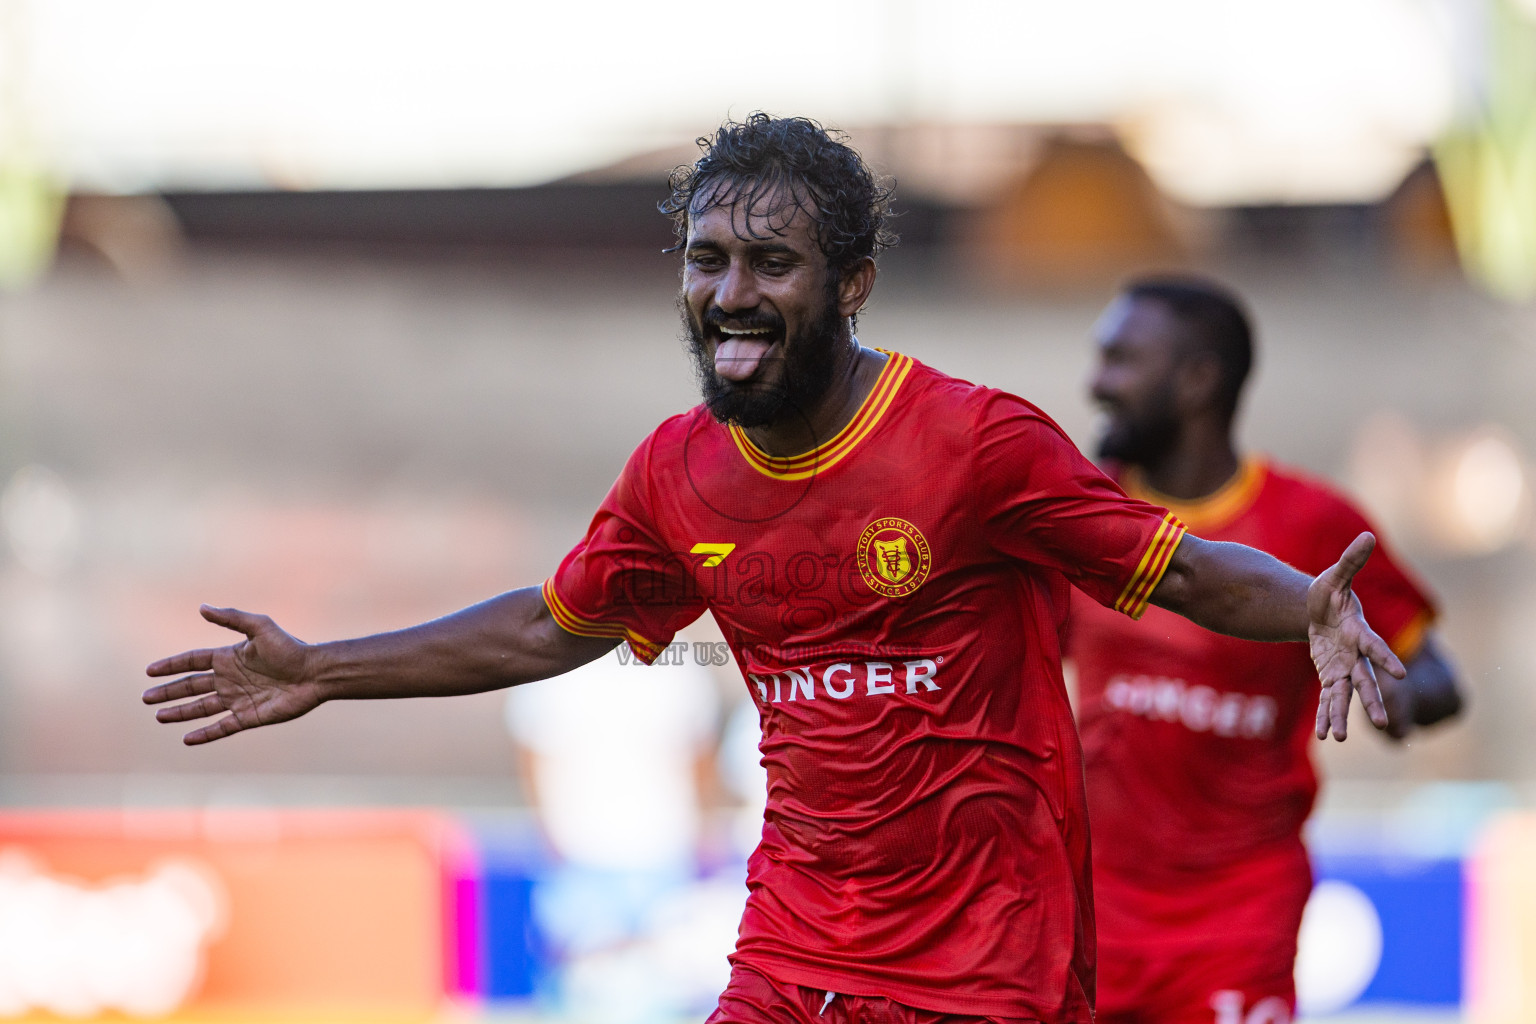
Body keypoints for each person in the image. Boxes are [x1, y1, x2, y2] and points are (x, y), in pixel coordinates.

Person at [144, 115, 1407, 1024]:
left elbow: (1175, 571)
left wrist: (1305, 608)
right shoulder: (677, 474)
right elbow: (548, 627)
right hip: (790, 948)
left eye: (771, 265)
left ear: (851, 283)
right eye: (707, 261)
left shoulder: (974, 443)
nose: (730, 294)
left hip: (984, 970)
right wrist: (323, 669)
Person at [1068, 276, 1464, 1024]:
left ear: (1197, 380)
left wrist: (1398, 695)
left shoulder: (1313, 525)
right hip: (1091, 907)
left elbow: (1441, 679)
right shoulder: (1087, 513)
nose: (1097, 383)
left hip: (1237, 913)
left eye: (1121, 361)